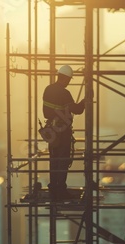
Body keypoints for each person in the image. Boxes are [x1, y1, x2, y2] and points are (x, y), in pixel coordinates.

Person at [42, 65, 85, 200]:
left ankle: (54, 187)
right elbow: (77, 110)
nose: (69, 82)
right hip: (62, 132)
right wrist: (85, 101)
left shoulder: (48, 89)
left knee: (54, 159)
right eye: (69, 79)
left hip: (51, 132)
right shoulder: (64, 93)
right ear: (65, 78)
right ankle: (60, 189)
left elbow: (47, 112)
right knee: (63, 160)